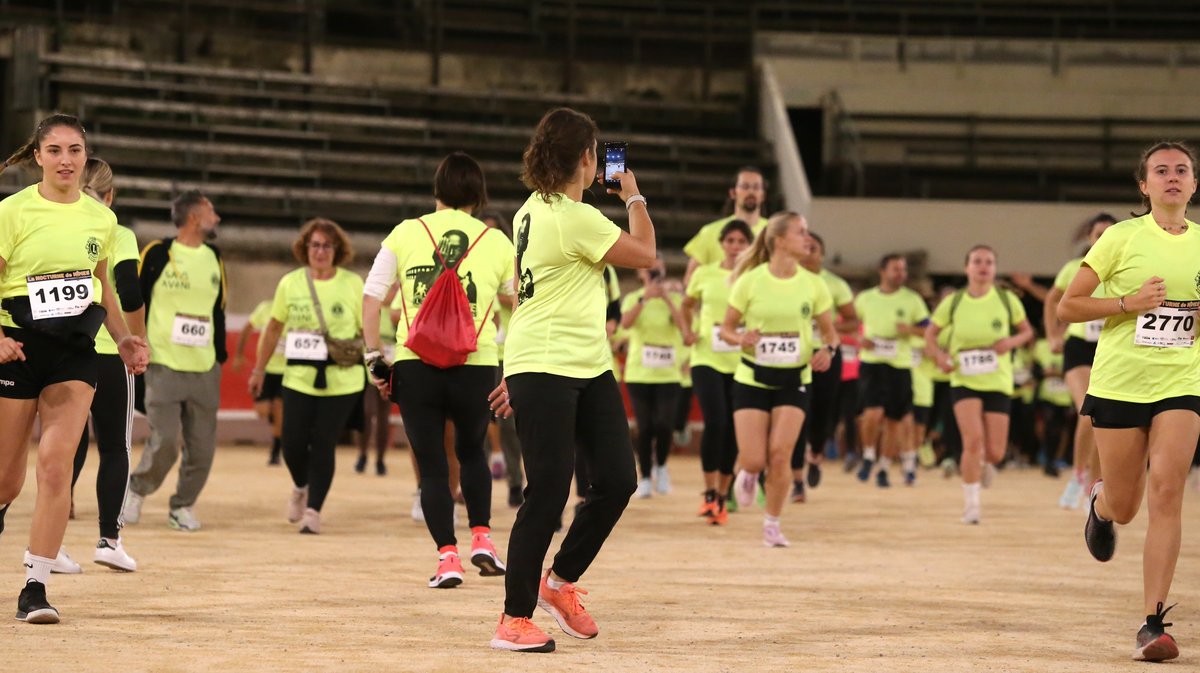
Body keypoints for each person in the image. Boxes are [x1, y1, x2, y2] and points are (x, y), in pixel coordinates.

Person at [486, 107, 655, 653]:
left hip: (580, 362)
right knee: (550, 492)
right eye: (596, 151)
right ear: (586, 158)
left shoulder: (532, 209)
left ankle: (557, 584)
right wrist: (632, 195)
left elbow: (536, 291)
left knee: (617, 481)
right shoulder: (575, 218)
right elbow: (647, 255)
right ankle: (513, 619)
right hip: (549, 364)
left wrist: (519, 370)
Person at [0, 114, 149, 623]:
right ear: (38, 156)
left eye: (75, 151)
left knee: (56, 464)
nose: (66, 160)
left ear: (87, 159)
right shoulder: (11, 211)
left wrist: (124, 336)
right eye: (56, 150)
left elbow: (101, 286)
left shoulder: (100, 219)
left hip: (76, 352)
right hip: (17, 349)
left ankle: (35, 586)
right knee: (5, 479)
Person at [1059, 141, 1200, 662]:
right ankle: (1100, 504)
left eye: (1181, 170)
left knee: (1168, 490)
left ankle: (1152, 623)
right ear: (1143, 185)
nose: (1172, 177)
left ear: (1193, 184)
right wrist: (1128, 303)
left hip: (1182, 382)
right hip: (1120, 383)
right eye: (1160, 170)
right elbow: (1067, 307)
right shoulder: (1121, 238)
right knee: (1127, 503)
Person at [363, 152, 515, 588]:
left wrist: (375, 357)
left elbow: (372, 297)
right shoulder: (495, 240)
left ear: (436, 190)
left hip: (416, 363)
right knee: (472, 453)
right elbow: (522, 304)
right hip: (477, 362)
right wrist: (514, 365)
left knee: (431, 466)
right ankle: (483, 537)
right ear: (478, 194)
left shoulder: (407, 232)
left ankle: (448, 557)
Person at [723, 211, 838, 548]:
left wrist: (827, 352)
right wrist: (741, 338)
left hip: (795, 379)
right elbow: (727, 329)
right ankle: (747, 472)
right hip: (752, 379)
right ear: (779, 240)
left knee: (780, 454)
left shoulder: (815, 284)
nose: (808, 238)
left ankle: (772, 524)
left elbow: (831, 336)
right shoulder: (750, 280)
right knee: (755, 458)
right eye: (801, 232)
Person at [249, 218, 364, 534]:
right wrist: (259, 369)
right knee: (292, 442)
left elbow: (367, 329)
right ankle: (301, 485)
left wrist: (377, 368)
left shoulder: (353, 284)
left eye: (328, 245)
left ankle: (313, 510)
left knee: (325, 442)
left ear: (337, 250)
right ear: (305, 248)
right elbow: (273, 329)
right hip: (298, 376)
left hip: (343, 378)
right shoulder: (290, 283)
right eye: (315, 244)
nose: (321, 251)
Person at [123, 190, 226, 532]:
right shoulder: (156, 253)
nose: (218, 218)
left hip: (204, 368)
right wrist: (138, 346)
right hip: (164, 364)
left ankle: (182, 506)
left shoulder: (215, 257)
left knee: (202, 449)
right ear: (194, 217)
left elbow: (219, 310)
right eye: (212, 211)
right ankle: (136, 490)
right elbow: (133, 300)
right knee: (165, 439)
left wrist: (218, 359)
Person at [65, 157, 145, 573]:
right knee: (115, 446)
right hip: (111, 353)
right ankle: (108, 540)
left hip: (68, 351)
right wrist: (138, 338)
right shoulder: (119, 232)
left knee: (66, 449)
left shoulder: (62, 227)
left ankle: (51, 544)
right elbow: (128, 290)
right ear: (110, 196)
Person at [926, 245, 1034, 524]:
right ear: (967, 268)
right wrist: (939, 357)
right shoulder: (954, 301)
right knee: (972, 442)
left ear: (995, 268)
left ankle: (986, 465)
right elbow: (931, 335)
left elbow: (1027, 332)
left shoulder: (1007, 299)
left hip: (997, 381)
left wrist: (1008, 343)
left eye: (988, 262)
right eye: (977, 261)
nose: (983, 267)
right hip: (964, 379)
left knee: (995, 451)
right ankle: (971, 504)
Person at [681, 219, 752, 524]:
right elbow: (686, 305)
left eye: (741, 242)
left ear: (748, 246)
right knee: (716, 422)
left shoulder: (754, 277)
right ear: (722, 243)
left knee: (734, 428)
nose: (735, 247)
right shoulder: (705, 273)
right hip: (706, 358)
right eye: (731, 241)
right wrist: (688, 332)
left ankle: (723, 494)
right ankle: (709, 493)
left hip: (741, 363)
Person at [1044, 213, 1116, 507]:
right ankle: (1077, 475)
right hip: (1078, 347)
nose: (1103, 239)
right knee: (1088, 410)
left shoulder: (1125, 268)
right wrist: (1052, 335)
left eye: (1109, 235)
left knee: (1104, 418)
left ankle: (1094, 485)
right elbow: (1052, 300)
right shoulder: (1076, 268)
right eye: (1098, 234)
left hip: (1111, 348)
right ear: (1089, 237)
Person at [854, 254, 930, 488]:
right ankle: (868, 454)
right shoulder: (865, 299)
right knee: (872, 413)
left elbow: (927, 331)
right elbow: (850, 324)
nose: (901, 274)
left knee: (895, 420)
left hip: (900, 364)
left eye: (903, 270)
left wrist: (909, 329)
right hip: (873, 362)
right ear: (882, 271)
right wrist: (860, 339)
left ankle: (884, 466)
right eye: (896, 269)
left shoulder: (913, 300)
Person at [793, 231, 858, 499]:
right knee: (795, 412)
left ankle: (817, 451)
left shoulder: (835, 284)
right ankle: (797, 479)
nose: (808, 252)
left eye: (814, 248)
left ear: (822, 253)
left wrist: (828, 326)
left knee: (822, 411)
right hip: (794, 355)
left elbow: (853, 321)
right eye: (804, 247)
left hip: (827, 353)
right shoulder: (787, 278)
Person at [620, 256, 688, 498]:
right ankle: (646, 475)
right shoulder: (633, 298)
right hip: (640, 372)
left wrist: (668, 298)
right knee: (645, 425)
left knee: (664, 424)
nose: (653, 273)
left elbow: (683, 327)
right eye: (649, 270)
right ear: (640, 273)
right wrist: (644, 298)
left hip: (668, 373)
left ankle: (662, 465)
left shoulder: (676, 299)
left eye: (658, 270)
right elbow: (626, 324)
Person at [480, 210, 525, 508]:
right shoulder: (472, 265)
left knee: (508, 425)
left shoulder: (514, 266)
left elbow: (522, 299)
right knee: (477, 423)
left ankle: (514, 481)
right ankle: (474, 485)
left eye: (495, 232)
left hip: (508, 353)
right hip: (478, 353)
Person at [682, 167, 769, 283]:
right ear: (733, 193)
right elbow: (690, 279)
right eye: (745, 186)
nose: (751, 192)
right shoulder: (710, 231)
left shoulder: (775, 231)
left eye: (756, 187)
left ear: (763, 195)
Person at [233, 299, 285, 465]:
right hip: (266, 369)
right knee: (262, 410)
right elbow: (247, 328)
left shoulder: (297, 312)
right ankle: (275, 418)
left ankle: (276, 450)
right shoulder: (265, 308)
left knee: (279, 409)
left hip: (287, 370)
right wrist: (239, 354)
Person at [356, 282, 398, 477]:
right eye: (391, 289)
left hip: (392, 364)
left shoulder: (399, 310)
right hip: (371, 367)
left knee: (383, 417)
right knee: (367, 413)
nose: (393, 293)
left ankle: (380, 459)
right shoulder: (375, 310)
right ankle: (362, 454)